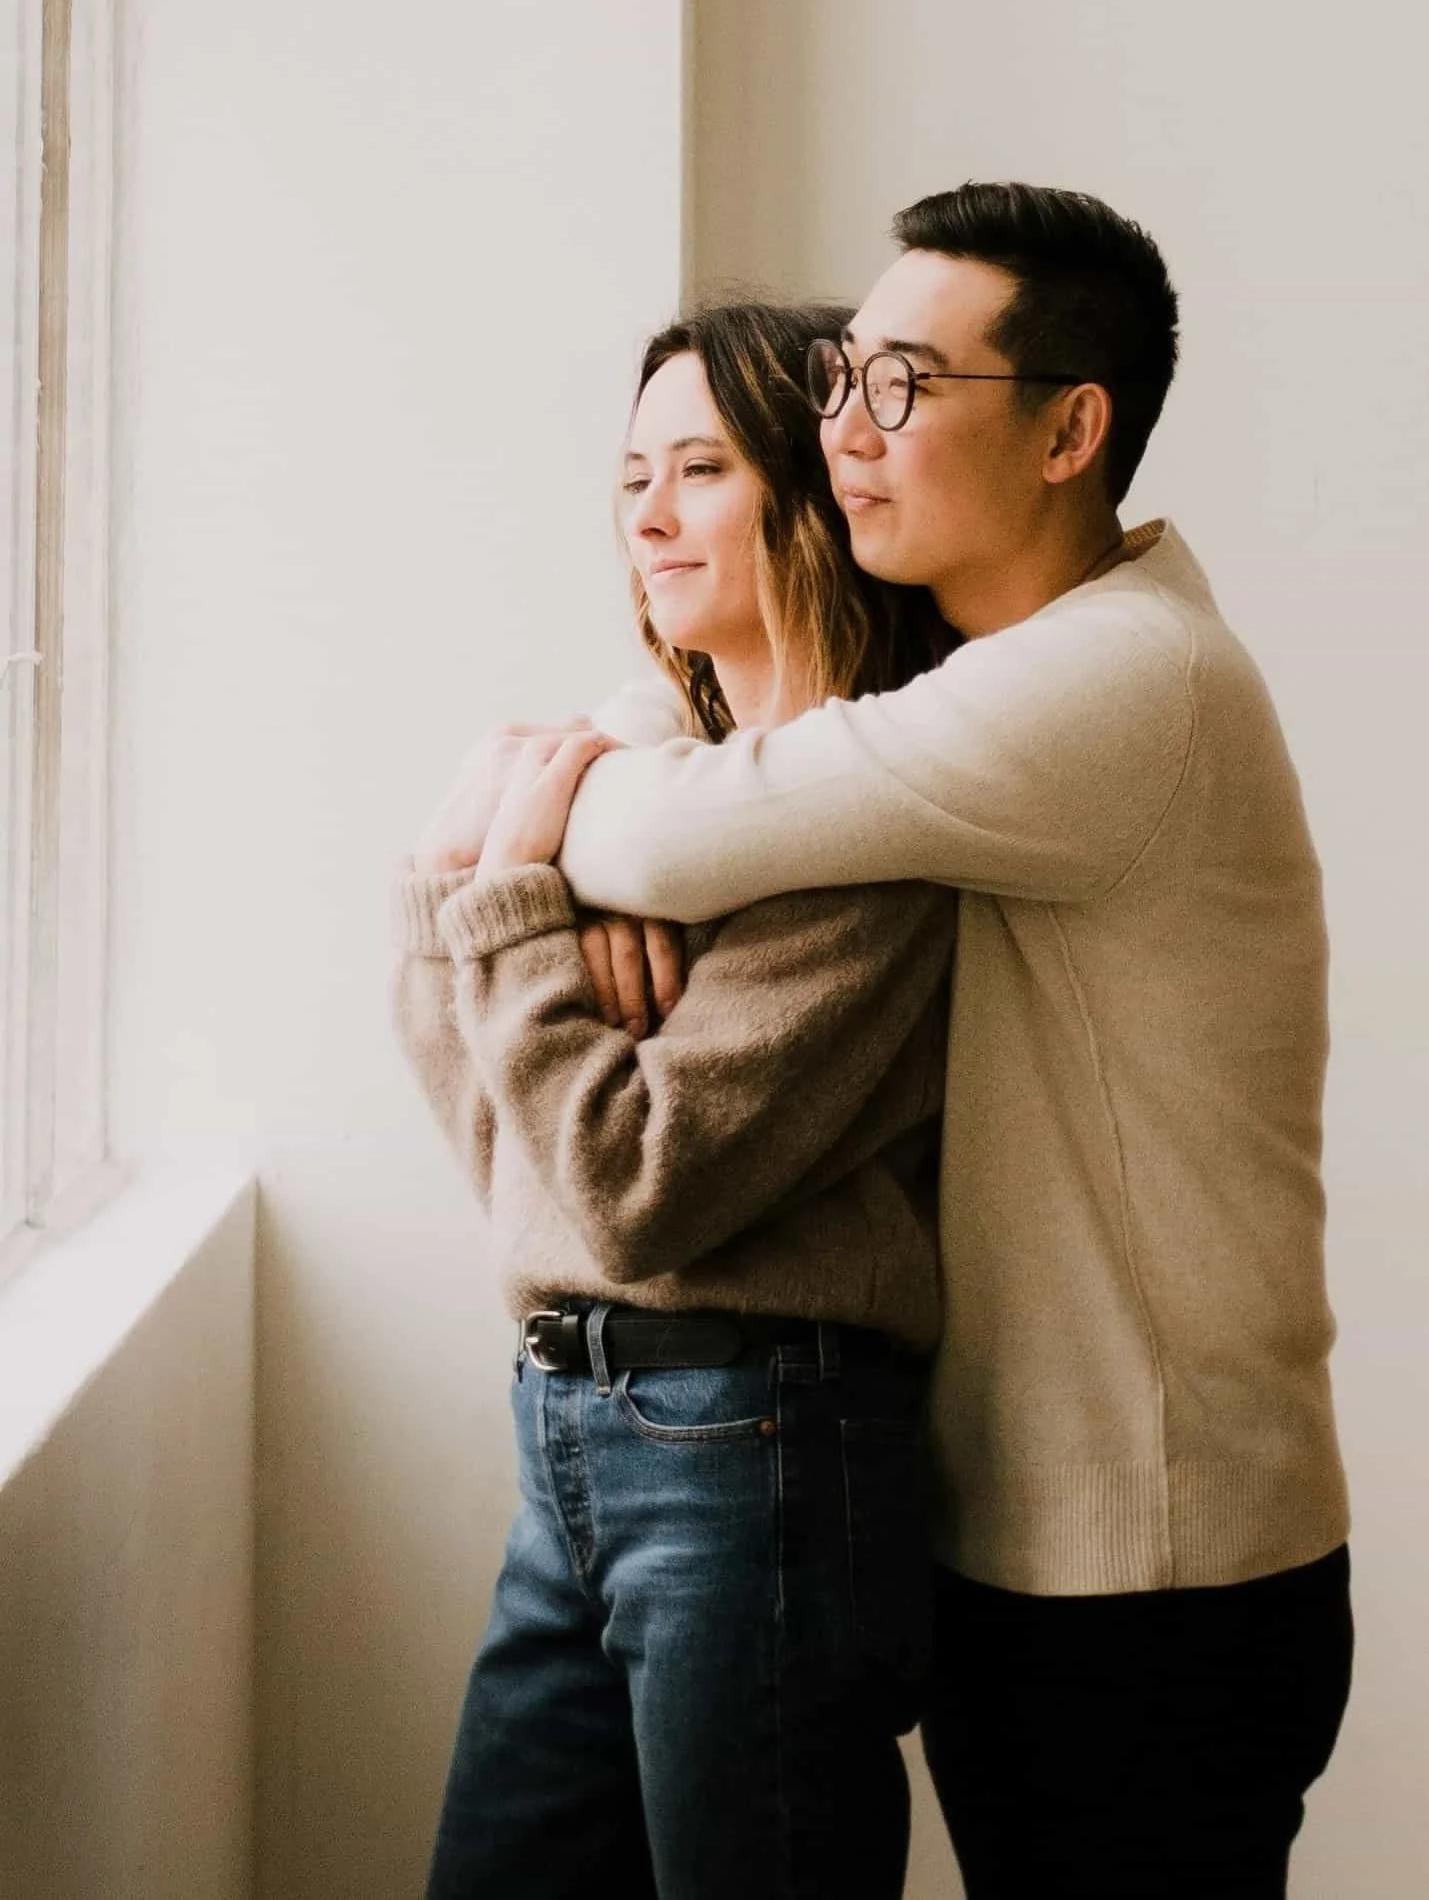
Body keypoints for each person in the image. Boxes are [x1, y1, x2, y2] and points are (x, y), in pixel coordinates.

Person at [447, 183, 1353, 1897]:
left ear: (1074, 428)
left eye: (906, 388)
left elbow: (669, 825)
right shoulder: (980, 671)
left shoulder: (1113, 682)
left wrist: (528, 815)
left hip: (1155, 1567)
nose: (847, 433)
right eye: (844, 383)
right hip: (1020, 1526)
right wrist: (617, 741)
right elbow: (708, 696)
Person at [393, 300, 959, 1900]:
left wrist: (504, 897)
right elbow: (512, 1160)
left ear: (810, 489)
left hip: (756, 1440)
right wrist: (496, 876)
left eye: (699, 466)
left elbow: (638, 1187)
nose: (645, 511)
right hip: (570, 1423)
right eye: (632, 470)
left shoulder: (872, 818)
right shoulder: (647, 795)